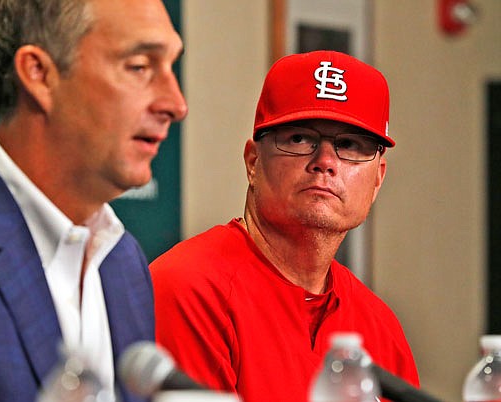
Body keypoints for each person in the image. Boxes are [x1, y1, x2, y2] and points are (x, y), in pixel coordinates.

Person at [0, 0, 187, 401]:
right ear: (39, 74)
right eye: (139, 66)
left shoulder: (124, 261)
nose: (176, 104)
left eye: (172, 67)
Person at [151, 50, 419, 402]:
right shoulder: (189, 288)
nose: (325, 162)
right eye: (299, 140)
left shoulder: (380, 328)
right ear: (253, 162)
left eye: (350, 145)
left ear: (377, 180)